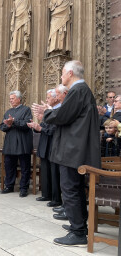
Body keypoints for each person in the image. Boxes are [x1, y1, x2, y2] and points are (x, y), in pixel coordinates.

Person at [33, 60, 100, 247]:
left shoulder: (78, 91)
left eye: (62, 73)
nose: (61, 76)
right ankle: (79, 227)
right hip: (75, 149)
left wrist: (46, 113)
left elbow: (62, 116)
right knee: (75, 189)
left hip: (72, 150)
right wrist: (48, 113)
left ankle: (78, 232)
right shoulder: (82, 91)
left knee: (70, 189)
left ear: (70, 73)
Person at [27, 89, 62, 207]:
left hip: (53, 145)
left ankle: (56, 198)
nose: (46, 100)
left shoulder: (59, 111)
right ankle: (46, 194)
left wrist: (41, 128)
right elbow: (43, 126)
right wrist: (37, 124)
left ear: (56, 98)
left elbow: (55, 130)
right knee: (45, 172)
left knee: (54, 173)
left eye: (48, 98)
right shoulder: (50, 112)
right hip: (44, 144)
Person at [0, 91, 33, 197]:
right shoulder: (8, 111)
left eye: (12, 98)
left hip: (23, 142)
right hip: (10, 143)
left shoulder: (26, 110)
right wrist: (8, 125)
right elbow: (2, 126)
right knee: (9, 165)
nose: (11, 100)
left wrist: (13, 122)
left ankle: (24, 188)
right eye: (10, 98)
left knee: (25, 166)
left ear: (19, 99)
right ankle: (9, 186)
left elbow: (27, 124)